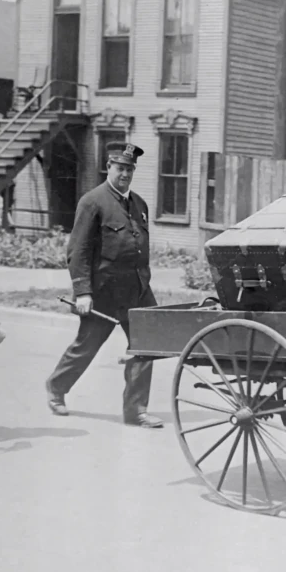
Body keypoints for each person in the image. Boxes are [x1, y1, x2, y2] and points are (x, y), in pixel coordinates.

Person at [45, 142, 164, 428]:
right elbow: (78, 250)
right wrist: (83, 291)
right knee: (86, 346)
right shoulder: (93, 201)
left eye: (129, 169)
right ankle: (57, 388)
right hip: (104, 291)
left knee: (147, 345)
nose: (125, 174)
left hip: (137, 289)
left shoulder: (139, 204)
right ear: (108, 167)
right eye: (120, 168)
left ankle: (135, 411)